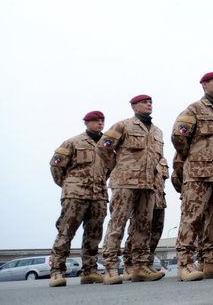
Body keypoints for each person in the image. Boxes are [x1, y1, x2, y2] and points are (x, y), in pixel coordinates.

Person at [172, 72, 213, 281]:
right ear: (204, 85)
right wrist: (192, 157)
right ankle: (185, 263)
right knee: (192, 218)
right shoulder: (194, 109)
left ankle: (210, 262)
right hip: (198, 174)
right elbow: (179, 136)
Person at [101, 95, 166, 283]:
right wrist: (118, 168)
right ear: (134, 106)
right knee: (118, 225)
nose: (149, 104)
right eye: (144, 102)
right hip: (125, 183)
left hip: (148, 184)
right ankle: (111, 267)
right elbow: (103, 149)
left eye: (150, 102)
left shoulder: (157, 131)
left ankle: (141, 266)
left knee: (144, 226)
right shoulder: (122, 125)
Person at [48, 111, 112, 287]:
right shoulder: (73, 142)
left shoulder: (107, 144)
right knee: (66, 232)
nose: (100, 123)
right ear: (87, 123)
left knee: (94, 234)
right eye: (96, 121)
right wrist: (68, 185)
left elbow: (110, 168)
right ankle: (57, 271)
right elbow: (56, 165)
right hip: (75, 196)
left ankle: (90, 271)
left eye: (102, 121)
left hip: (98, 196)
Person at [123, 156, 168, 280]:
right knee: (136, 232)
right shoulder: (141, 155)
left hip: (159, 200)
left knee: (156, 233)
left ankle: (147, 263)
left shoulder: (162, 160)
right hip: (143, 200)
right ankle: (130, 265)